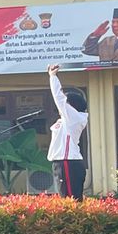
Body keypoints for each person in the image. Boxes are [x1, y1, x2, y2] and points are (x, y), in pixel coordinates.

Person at [47, 64, 90, 200]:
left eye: (67, 103)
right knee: (66, 201)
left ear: (72, 106)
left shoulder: (75, 118)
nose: (62, 106)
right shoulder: (67, 120)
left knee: (70, 201)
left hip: (68, 163)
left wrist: (53, 77)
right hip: (61, 163)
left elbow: (58, 97)